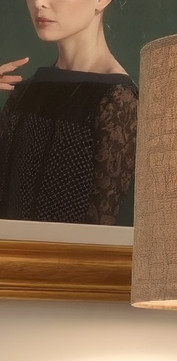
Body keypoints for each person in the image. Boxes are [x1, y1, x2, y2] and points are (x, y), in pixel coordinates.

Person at [0, 0, 138, 225]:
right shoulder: (24, 93)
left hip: (63, 258)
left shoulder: (117, 100)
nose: (39, 3)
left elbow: (96, 233)